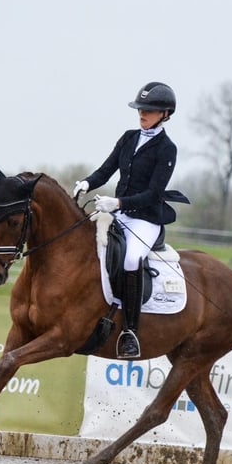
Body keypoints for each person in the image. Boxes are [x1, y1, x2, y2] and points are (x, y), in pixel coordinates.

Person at [72, 81, 186, 359]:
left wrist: (119, 202)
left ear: (165, 113)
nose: (142, 114)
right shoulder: (128, 137)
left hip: (145, 218)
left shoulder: (166, 149)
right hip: (118, 213)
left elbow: (154, 193)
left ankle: (130, 331)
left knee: (131, 259)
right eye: (140, 109)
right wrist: (87, 183)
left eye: (148, 110)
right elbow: (107, 169)